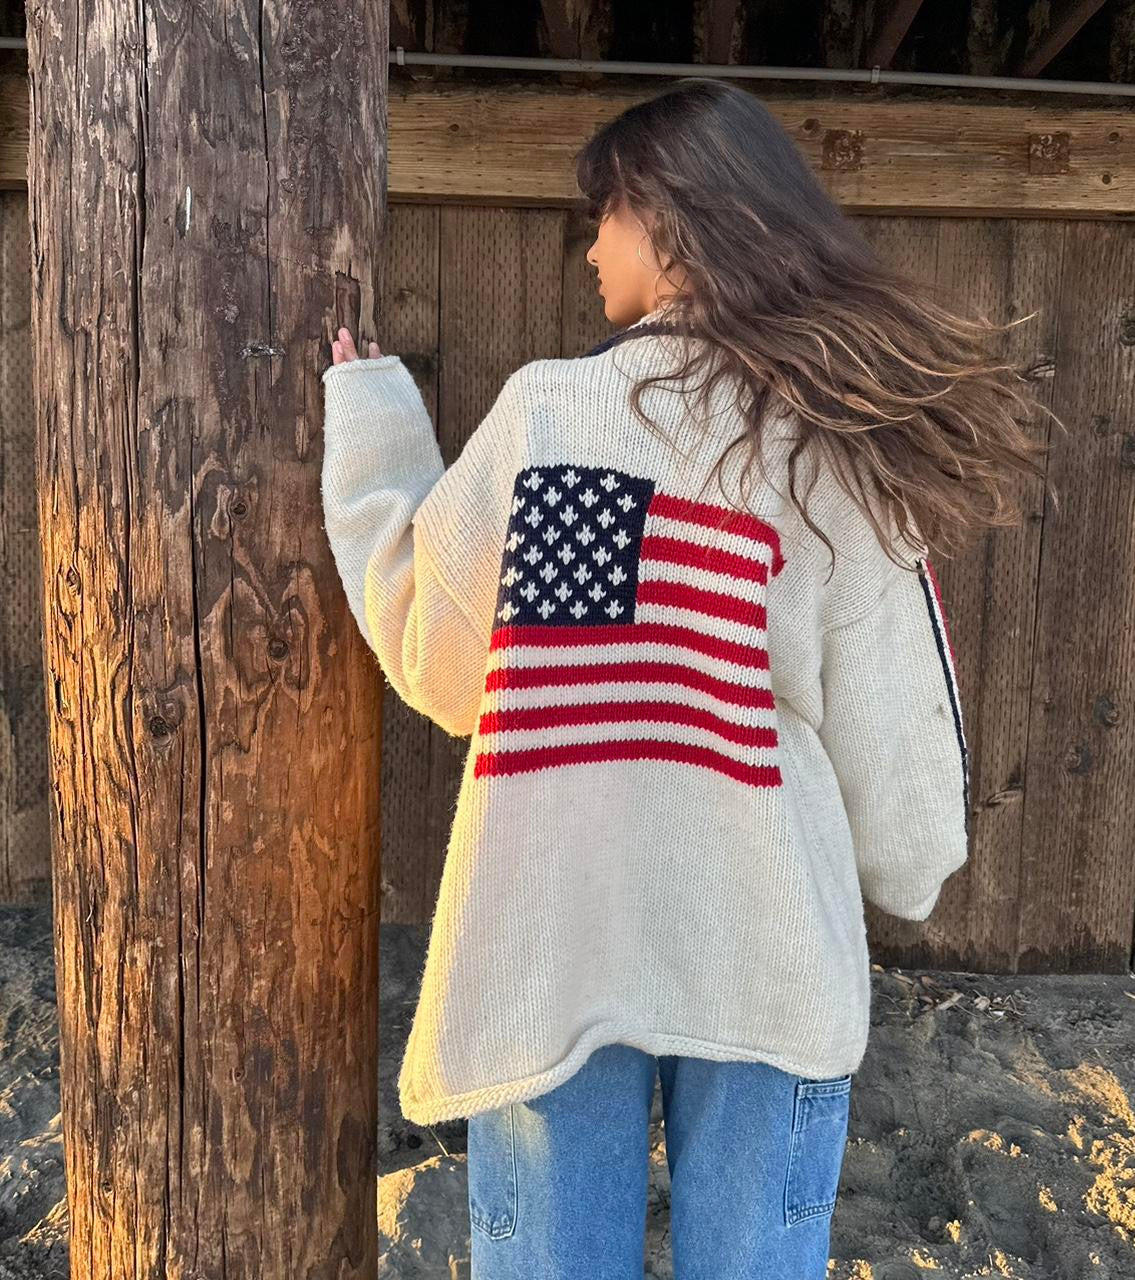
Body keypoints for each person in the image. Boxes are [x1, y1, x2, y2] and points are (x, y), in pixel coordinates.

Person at [319, 76, 1058, 1280]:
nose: (588, 248)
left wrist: (373, 425)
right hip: (765, 951)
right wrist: (913, 861)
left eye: (598, 215)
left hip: (555, 945)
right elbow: (901, 737)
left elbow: (442, 658)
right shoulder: (828, 440)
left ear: (663, 217)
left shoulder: (549, 419)